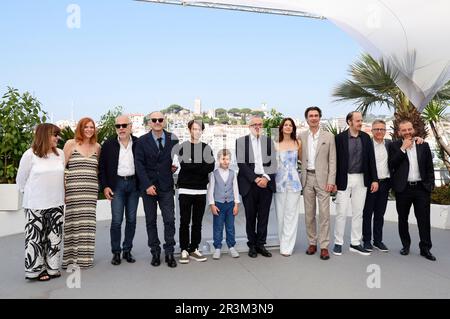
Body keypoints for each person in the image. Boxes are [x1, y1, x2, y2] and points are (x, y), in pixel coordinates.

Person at [17, 123, 65, 281]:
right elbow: (21, 180)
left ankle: (52, 267)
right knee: (35, 239)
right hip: (35, 204)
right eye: (54, 135)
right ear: (44, 135)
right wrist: (32, 194)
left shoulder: (60, 154)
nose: (57, 138)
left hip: (56, 202)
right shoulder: (29, 155)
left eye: (57, 135)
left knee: (54, 237)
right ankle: (36, 270)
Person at [134, 111, 178, 268]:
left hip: (166, 186)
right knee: (150, 221)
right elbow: (139, 165)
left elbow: (176, 160)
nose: (158, 122)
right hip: (149, 188)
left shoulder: (173, 139)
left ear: (164, 121)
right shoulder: (142, 141)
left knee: (169, 220)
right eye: (154, 120)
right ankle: (155, 252)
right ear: (149, 122)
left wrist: (173, 168)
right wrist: (147, 185)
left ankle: (170, 252)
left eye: (160, 119)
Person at [388, 120, 436, 261]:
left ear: (413, 129)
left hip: (422, 188)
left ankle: (425, 248)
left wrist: (430, 185)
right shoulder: (394, 146)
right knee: (403, 219)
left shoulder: (423, 145)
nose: (407, 132)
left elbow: (429, 168)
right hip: (403, 189)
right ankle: (406, 245)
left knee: (424, 220)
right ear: (399, 132)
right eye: (404, 130)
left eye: (409, 129)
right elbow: (391, 165)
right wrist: (403, 149)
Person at [333, 111, 378, 256]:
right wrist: (333, 181)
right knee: (341, 212)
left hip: (361, 179)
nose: (360, 123)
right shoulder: (339, 138)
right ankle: (338, 243)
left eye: (361, 120)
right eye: (357, 120)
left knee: (358, 213)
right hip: (343, 179)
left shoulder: (366, 137)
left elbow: (372, 160)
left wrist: (375, 179)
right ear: (349, 122)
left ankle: (355, 243)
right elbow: (334, 162)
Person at [98, 115, 140, 266]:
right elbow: (101, 168)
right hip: (117, 186)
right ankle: (116, 252)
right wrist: (105, 186)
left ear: (130, 126)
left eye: (124, 125)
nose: (121, 128)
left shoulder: (138, 143)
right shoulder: (108, 145)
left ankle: (127, 250)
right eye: (118, 126)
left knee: (132, 220)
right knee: (116, 221)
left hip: (134, 185)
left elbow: (148, 162)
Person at [236, 116, 277, 258]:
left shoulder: (269, 142)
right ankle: (252, 245)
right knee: (250, 216)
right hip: (249, 184)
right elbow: (241, 164)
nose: (258, 126)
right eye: (255, 124)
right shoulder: (241, 142)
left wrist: (265, 178)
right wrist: (255, 179)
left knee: (264, 216)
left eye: (260, 124)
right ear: (249, 126)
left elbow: (273, 162)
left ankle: (261, 244)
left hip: (266, 183)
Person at [62, 117, 101, 269]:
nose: (89, 130)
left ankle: (85, 259)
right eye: (86, 127)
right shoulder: (70, 144)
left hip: (90, 191)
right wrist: (63, 190)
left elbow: (97, 170)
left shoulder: (97, 146)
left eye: (92, 127)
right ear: (80, 128)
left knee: (88, 224)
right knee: (72, 224)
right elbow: (62, 168)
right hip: (73, 191)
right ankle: (70, 260)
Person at [299, 107, 336, 260]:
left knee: (325, 215)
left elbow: (333, 160)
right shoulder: (301, 136)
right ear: (306, 119)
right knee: (309, 215)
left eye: (316, 115)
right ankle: (312, 243)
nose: (313, 118)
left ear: (320, 118)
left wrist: (331, 181)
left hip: (323, 180)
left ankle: (325, 246)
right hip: (307, 178)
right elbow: (298, 157)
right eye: (310, 116)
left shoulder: (329, 136)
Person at [176, 120, 215, 264]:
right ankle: (184, 250)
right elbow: (185, 165)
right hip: (185, 190)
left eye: (199, 129)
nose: (196, 131)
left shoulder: (207, 148)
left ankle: (194, 248)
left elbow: (211, 166)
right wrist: (200, 165)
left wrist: (195, 165)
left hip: (201, 191)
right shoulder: (183, 147)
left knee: (197, 222)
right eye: (194, 129)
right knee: (184, 222)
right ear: (189, 130)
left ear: (202, 131)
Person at [362, 119, 392, 253]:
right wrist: (371, 180)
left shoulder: (390, 144)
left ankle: (378, 241)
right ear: (372, 131)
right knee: (367, 213)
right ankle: (367, 240)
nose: (379, 132)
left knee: (380, 214)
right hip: (370, 184)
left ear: (385, 131)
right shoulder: (367, 144)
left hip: (385, 183)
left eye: (382, 129)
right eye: (376, 129)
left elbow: (407, 143)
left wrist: (417, 138)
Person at [274, 118, 302, 257]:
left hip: (295, 183)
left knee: (292, 215)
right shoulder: (275, 144)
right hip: (279, 182)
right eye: (285, 125)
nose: (288, 127)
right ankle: (282, 242)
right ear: (281, 127)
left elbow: (303, 161)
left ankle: (288, 246)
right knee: (281, 215)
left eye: (290, 125)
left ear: (293, 128)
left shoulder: (298, 143)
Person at [207, 149, 240, 260]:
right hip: (218, 204)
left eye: (227, 159)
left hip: (230, 204)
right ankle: (217, 248)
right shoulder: (214, 174)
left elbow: (235, 189)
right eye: (223, 159)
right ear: (218, 160)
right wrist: (212, 204)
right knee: (218, 226)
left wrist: (236, 204)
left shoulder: (233, 174)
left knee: (230, 227)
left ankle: (231, 246)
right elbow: (211, 190)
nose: (225, 161)